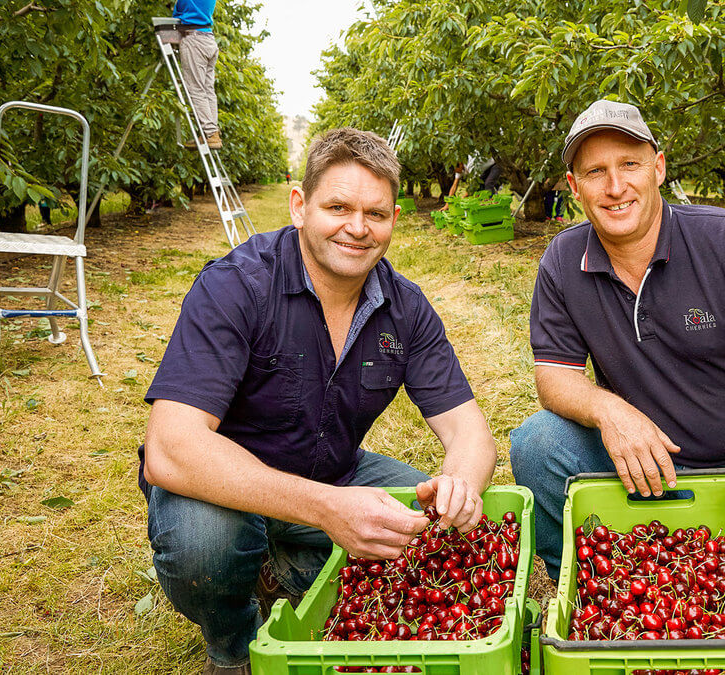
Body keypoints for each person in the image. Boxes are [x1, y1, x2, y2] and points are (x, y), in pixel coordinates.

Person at [141, 128, 497, 675]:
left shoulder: (405, 309)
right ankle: (232, 646)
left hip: (334, 471)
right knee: (206, 546)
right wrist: (327, 509)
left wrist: (461, 485)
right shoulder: (236, 286)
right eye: (338, 207)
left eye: (375, 213)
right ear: (299, 206)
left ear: (394, 221)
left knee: (421, 535)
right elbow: (170, 448)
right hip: (223, 488)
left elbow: (468, 431)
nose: (357, 228)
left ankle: (281, 562)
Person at [509, 100, 725, 606]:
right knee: (537, 443)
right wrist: (609, 409)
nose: (615, 186)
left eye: (629, 164)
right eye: (595, 172)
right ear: (574, 186)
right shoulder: (564, 260)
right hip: (639, 459)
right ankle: (587, 587)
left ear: (660, 167)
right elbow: (553, 378)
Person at [173, 0, 222, 149]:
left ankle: (210, 132)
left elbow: (179, 9)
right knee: (208, 91)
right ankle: (211, 133)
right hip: (208, 39)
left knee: (196, 89)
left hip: (194, 39)